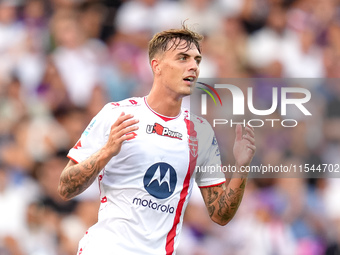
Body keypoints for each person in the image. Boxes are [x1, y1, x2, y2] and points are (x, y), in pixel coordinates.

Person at [58, 24, 256, 255]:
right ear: (157, 66)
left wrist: (242, 166)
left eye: (197, 60)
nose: (193, 66)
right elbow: (65, 187)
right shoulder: (116, 114)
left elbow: (220, 215)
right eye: (183, 58)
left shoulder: (200, 133)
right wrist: (106, 152)